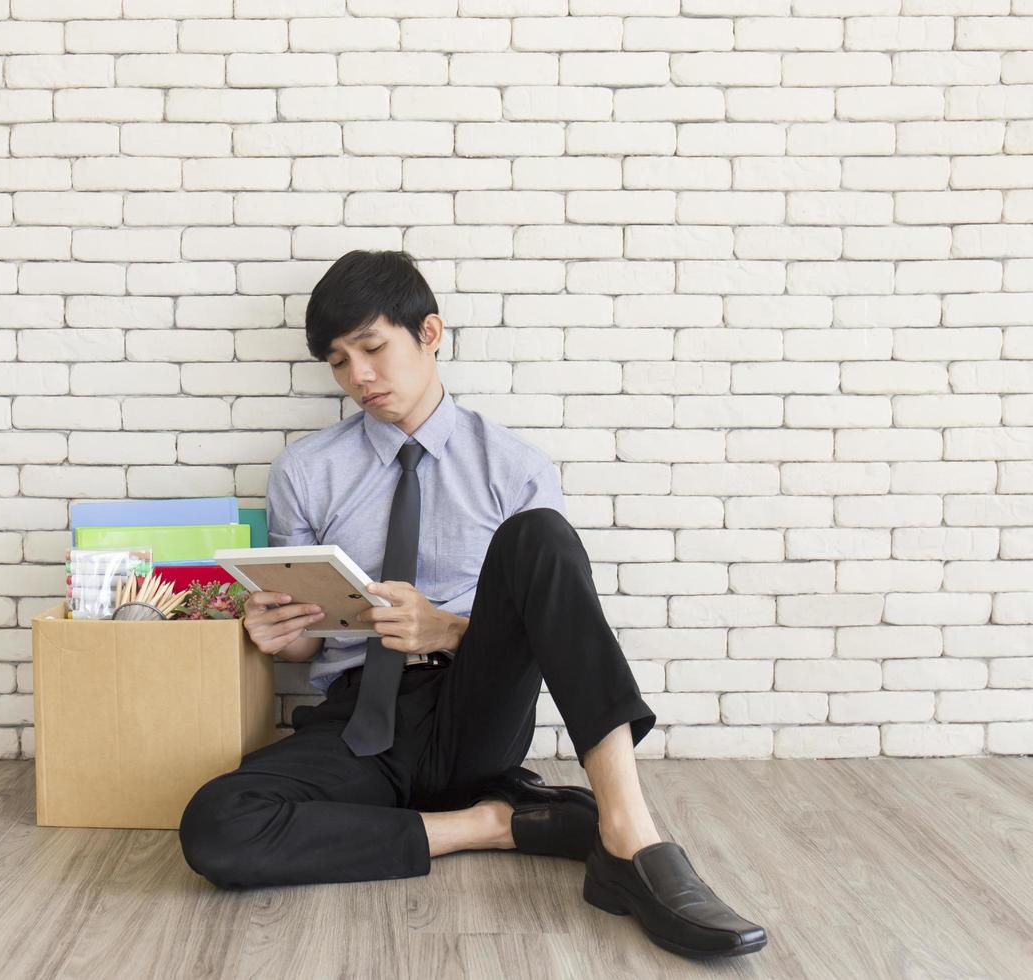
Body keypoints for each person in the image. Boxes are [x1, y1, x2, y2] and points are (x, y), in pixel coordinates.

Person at [178, 250, 768, 960]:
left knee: (541, 538)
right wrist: (281, 634)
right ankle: (493, 824)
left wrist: (449, 629)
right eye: (337, 361)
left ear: (430, 333)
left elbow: (554, 626)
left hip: (475, 705)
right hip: (359, 718)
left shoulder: (514, 466)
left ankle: (628, 831)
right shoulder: (306, 471)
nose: (357, 376)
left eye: (372, 348)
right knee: (216, 824)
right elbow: (308, 645)